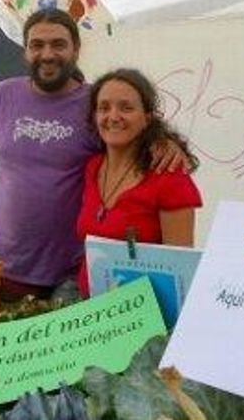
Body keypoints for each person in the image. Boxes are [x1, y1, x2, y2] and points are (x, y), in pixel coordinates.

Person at [0, 8, 187, 301]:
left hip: (74, 271)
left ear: (76, 49)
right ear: (25, 51)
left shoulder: (97, 104)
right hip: (7, 264)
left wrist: (164, 141)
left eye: (58, 44)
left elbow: (133, 130)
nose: (47, 54)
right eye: (37, 45)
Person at [76, 68, 202, 297]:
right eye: (104, 107)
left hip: (144, 320)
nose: (113, 116)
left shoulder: (170, 178)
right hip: (89, 311)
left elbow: (179, 272)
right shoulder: (92, 167)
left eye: (126, 108)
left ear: (147, 119)